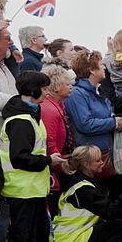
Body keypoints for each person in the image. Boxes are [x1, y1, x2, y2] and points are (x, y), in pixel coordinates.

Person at [0, 71, 68, 242]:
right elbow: (20, 158)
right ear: (32, 91)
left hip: (33, 188)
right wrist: (49, 161)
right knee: (19, 241)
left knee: (28, 240)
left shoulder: (29, 114)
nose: (47, 92)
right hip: (21, 189)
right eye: (44, 88)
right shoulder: (20, 120)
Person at [50, 146, 122, 242]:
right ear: (86, 165)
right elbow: (110, 210)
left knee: (111, 228)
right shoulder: (83, 189)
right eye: (97, 160)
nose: (102, 163)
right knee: (118, 226)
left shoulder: (75, 182)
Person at [64, 51, 122, 167]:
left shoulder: (96, 91)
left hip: (104, 153)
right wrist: (113, 123)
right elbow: (85, 124)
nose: (104, 67)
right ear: (91, 70)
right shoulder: (76, 94)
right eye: (101, 65)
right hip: (90, 159)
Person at [40, 64, 75, 196]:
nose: (71, 86)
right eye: (67, 84)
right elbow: (50, 142)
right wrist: (62, 167)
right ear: (55, 87)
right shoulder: (49, 109)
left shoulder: (58, 105)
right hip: (53, 168)